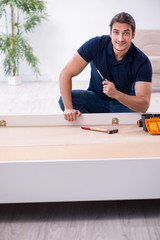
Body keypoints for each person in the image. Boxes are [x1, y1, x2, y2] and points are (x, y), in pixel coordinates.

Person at [59, 12, 152, 121]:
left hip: (124, 105)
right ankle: (92, 123)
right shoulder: (96, 45)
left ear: (133, 34)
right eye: (116, 32)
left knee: (138, 117)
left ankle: (100, 121)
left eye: (126, 33)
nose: (120, 39)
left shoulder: (142, 61)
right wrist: (69, 108)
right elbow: (66, 73)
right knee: (65, 101)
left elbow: (144, 105)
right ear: (110, 33)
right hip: (96, 100)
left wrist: (116, 94)